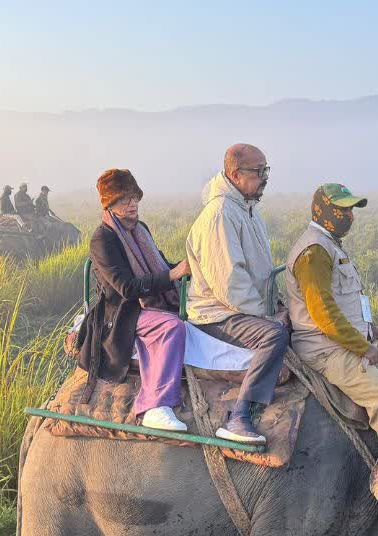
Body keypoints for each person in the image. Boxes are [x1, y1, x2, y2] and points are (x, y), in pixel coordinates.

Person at [285, 184, 378, 442]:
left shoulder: (330, 244)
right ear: (323, 211)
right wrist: (362, 348)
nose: (350, 216)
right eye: (343, 210)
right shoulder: (314, 252)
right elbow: (324, 314)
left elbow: (345, 297)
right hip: (325, 347)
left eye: (351, 209)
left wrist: (370, 328)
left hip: (350, 337)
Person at [185, 143, 287, 444]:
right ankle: (240, 416)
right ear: (235, 174)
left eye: (266, 170)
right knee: (273, 336)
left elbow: (257, 269)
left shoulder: (247, 208)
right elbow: (231, 284)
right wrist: (268, 315)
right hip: (217, 312)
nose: (265, 177)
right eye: (258, 171)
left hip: (243, 306)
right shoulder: (220, 214)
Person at [76, 169, 191, 432]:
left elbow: (160, 265)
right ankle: (155, 405)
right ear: (110, 204)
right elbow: (126, 288)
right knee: (172, 327)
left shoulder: (141, 230)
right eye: (123, 200)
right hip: (122, 311)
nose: (132, 205)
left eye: (134, 198)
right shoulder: (102, 239)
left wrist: (189, 268)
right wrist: (172, 274)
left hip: (149, 300)